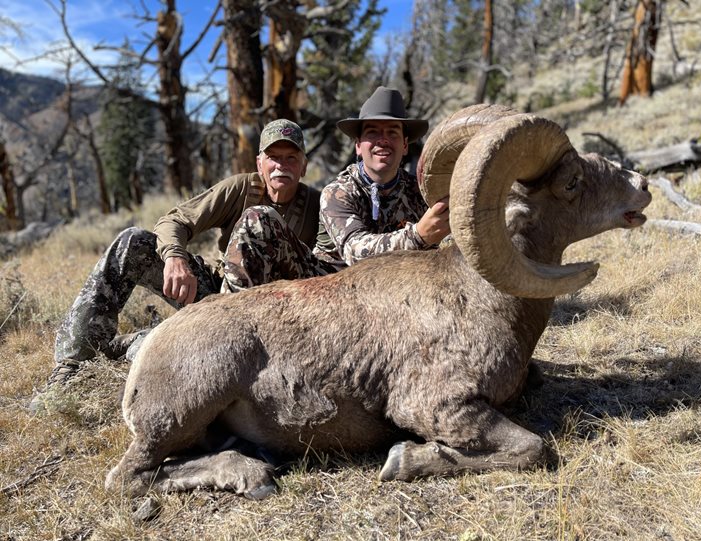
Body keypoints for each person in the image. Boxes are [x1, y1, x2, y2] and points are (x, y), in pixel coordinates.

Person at [31, 119, 319, 410]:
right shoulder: (241, 188)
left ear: (303, 166)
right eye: (273, 158)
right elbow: (174, 220)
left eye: (291, 158)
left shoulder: (318, 206)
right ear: (260, 163)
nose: (281, 165)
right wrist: (175, 258)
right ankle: (72, 364)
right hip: (219, 300)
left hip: (277, 318)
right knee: (132, 242)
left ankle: (140, 343)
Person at [219, 85, 451, 290]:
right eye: (372, 132)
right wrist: (419, 234)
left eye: (392, 132)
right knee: (258, 218)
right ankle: (235, 317)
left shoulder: (423, 191)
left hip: (398, 290)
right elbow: (356, 252)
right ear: (358, 145)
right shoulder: (338, 191)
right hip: (329, 289)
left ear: (405, 144)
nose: (383, 140)